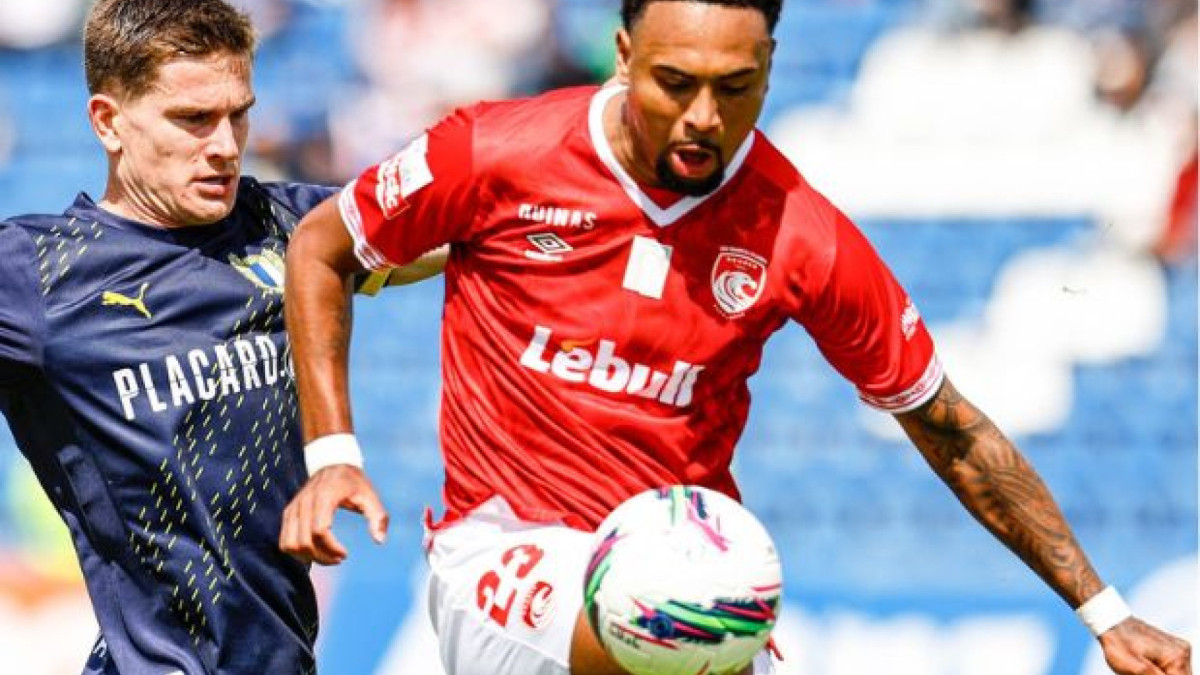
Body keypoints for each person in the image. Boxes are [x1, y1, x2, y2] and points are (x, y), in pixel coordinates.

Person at [277, 1, 1193, 674]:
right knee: (660, 618)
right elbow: (321, 247)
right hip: (503, 548)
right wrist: (332, 453)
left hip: (694, 570)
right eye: (675, 84)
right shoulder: (496, 152)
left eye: (736, 87)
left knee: (681, 607)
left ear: (771, 65)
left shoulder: (799, 231)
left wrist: (1103, 609)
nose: (704, 118)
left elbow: (947, 425)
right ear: (625, 54)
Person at [0, 0, 443, 673]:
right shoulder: (37, 273)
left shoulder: (290, 229)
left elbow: (453, 235)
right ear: (108, 121)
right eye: (194, 119)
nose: (227, 146)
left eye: (239, 115)